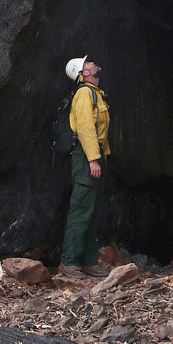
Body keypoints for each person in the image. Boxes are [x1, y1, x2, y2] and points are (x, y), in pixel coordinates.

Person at [59, 55, 111, 279]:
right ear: (84, 73)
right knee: (81, 209)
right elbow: (85, 128)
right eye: (87, 64)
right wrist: (92, 159)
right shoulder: (83, 93)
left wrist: (102, 156)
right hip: (85, 156)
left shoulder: (96, 94)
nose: (92, 63)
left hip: (96, 155)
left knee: (93, 211)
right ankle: (68, 263)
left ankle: (89, 262)